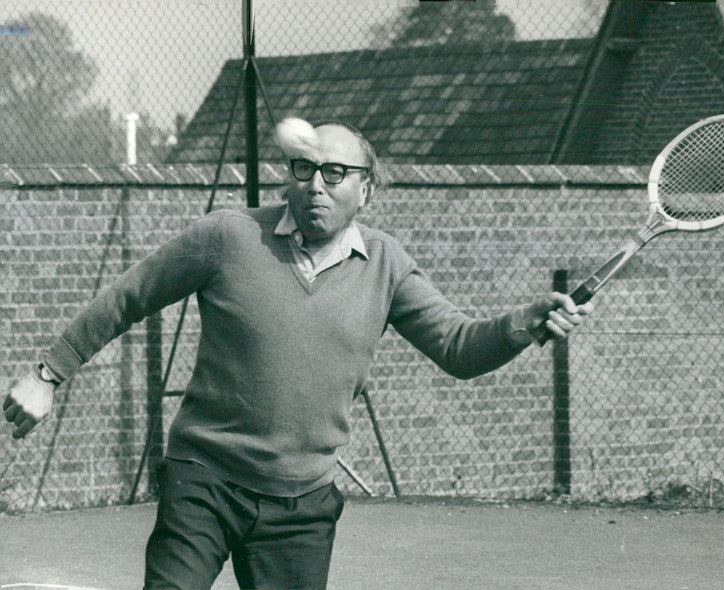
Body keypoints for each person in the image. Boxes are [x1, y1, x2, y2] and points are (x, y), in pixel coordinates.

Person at [3, 120, 594, 590]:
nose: (316, 183)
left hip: (301, 503)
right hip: (204, 479)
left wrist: (522, 323)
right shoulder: (229, 236)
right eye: (304, 168)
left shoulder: (387, 265)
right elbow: (129, 296)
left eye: (335, 172)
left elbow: (458, 348)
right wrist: (48, 374)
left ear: (366, 188)